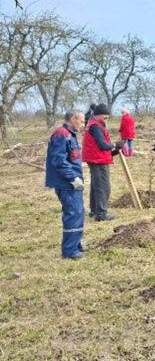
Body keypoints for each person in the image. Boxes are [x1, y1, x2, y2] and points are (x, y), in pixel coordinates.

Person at [45, 109, 86, 259]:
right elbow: (58, 160)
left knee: (78, 212)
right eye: (81, 121)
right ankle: (69, 251)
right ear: (73, 119)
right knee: (73, 213)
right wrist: (72, 178)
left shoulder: (70, 135)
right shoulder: (61, 134)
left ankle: (76, 244)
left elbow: (71, 158)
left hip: (73, 182)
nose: (83, 125)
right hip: (66, 183)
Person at [82, 103, 122, 221]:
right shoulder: (95, 126)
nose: (107, 117)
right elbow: (103, 145)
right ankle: (101, 214)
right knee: (103, 187)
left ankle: (94, 211)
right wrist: (115, 145)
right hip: (97, 160)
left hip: (96, 158)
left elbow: (101, 146)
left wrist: (115, 150)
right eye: (105, 114)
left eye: (108, 115)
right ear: (98, 114)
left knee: (96, 185)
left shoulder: (96, 124)